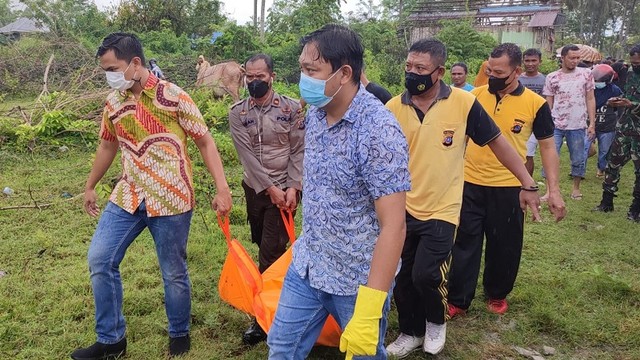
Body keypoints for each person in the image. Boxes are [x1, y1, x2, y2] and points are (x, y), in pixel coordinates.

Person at [71, 33, 232, 359]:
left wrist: (222, 188)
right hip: (128, 194)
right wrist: (89, 185)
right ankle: (111, 340)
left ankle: (179, 333)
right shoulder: (113, 102)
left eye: (112, 68)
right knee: (100, 260)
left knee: (172, 272)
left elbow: (205, 142)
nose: (109, 76)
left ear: (134, 63)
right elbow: (107, 144)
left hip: (171, 198)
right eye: (105, 70)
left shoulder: (174, 97)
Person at [385, 38, 541, 357]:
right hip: (400, 207)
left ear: (439, 71)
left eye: (420, 69)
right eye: (408, 67)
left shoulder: (464, 103)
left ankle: (435, 322)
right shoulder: (392, 108)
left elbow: (498, 143)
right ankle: (410, 331)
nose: (412, 73)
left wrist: (527, 182)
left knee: (427, 274)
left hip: (443, 206)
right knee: (402, 277)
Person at [266, 24, 411, 360]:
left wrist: (371, 304)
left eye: (311, 70)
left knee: (363, 353)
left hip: (356, 280)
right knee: (281, 348)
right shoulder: (317, 113)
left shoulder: (379, 131)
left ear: (344, 73)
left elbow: (395, 226)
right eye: (302, 69)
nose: (304, 79)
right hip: (309, 264)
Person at [448, 43, 566, 322]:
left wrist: (554, 189)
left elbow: (548, 147)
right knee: (464, 243)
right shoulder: (473, 97)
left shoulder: (535, 104)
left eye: (499, 72)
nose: (492, 76)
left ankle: (497, 292)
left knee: (505, 245)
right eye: (489, 70)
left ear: (517, 71)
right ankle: (457, 299)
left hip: (511, 187)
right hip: (470, 182)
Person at [228, 53, 305, 345]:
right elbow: (246, 155)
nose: (254, 82)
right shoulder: (238, 112)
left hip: (285, 191)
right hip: (256, 189)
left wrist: (293, 187)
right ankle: (277, 301)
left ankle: (265, 319)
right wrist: (269, 188)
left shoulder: (291, 109)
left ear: (271, 76)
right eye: (249, 76)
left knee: (271, 253)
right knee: (262, 242)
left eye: (260, 77)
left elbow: (299, 149)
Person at [542, 44, 596, 200]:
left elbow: (590, 98)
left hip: (578, 123)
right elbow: (549, 100)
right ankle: (549, 190)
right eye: (572, 58)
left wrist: (591, 123)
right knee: (550, 156)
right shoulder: (552, 77)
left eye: (578, 58)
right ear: (563, 58)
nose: (575, 61)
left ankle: (576, 188)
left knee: (578, 157)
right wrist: (546, 122)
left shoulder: (586, 74)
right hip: (556, 124)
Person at [594, 44, 640, 222]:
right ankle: (606, 203)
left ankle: (635, 210)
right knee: (612, 164)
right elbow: (625, 96)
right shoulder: (628, 76)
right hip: (625, 128)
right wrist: (617, 101)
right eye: (633, 63)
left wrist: (632, 105)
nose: (635, 66)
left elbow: (632, 102)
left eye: (638, 63)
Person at [584, 64, 623, 178]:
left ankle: (601, 168)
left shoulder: (615, 90)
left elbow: (621, 107)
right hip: (589, 125)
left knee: (604, 151)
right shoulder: (589, 88)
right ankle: (579, 171)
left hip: (607, 126)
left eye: (600, 81)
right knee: (583, 148)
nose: (597, 82)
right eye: (595, 80)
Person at [520, 48, 546, 176]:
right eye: (527, 61)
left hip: (535, 120)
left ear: (540, 61)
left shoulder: (544, 80)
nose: (530, 64)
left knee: (528, 153)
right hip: (517, 119)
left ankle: (527, 183)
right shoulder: (517, 79)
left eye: (533, 60)